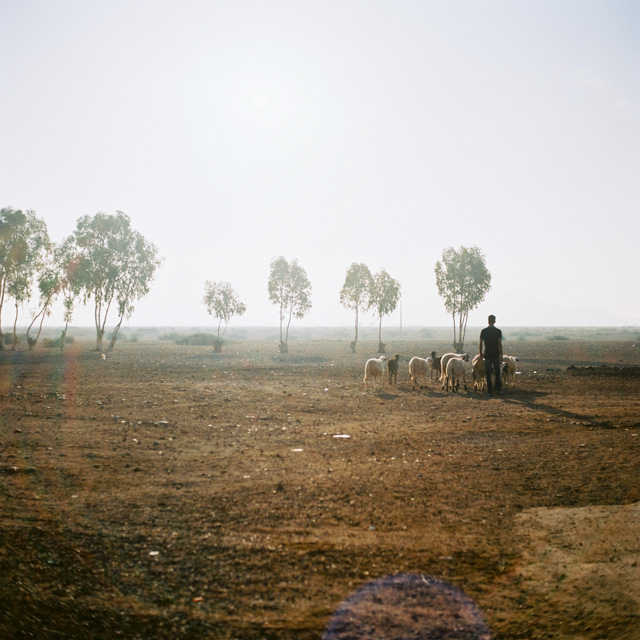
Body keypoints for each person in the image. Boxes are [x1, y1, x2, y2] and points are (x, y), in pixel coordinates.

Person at [479, 314, 503, 395]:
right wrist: (501, 355)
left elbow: (480, 343)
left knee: (488, 373)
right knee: (497, 372)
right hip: (496, 354)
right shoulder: (498, 331)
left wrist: (480, 353)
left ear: (488, 321)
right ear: (495, 321)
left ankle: (490, 391)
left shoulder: (484, 331)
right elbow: (499, 344)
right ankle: (498, 389)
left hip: (487, 354)